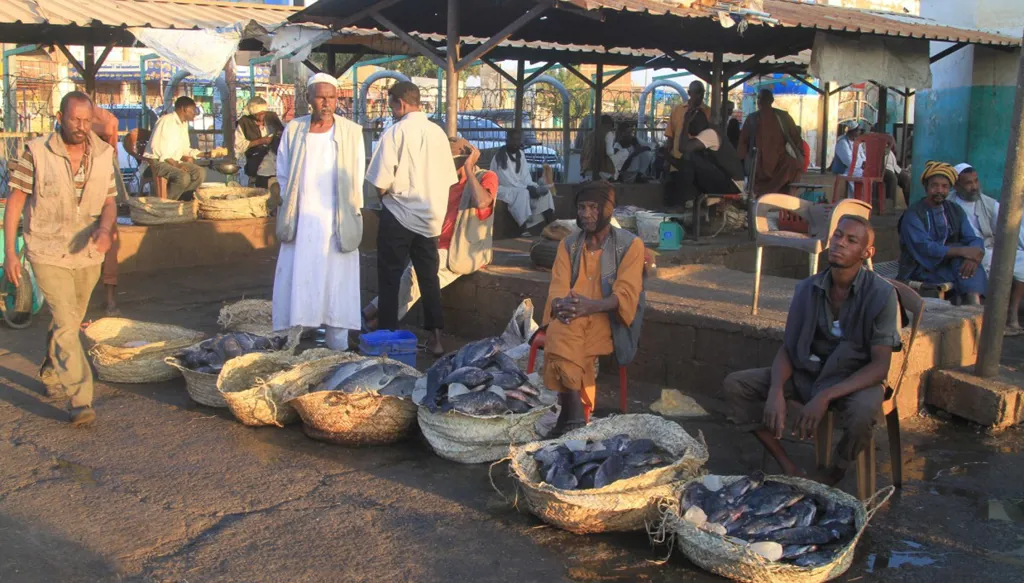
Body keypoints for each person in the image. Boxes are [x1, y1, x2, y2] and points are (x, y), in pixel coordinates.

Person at [724, 215, 901, 484]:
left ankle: (836, 470)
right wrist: (775, 391)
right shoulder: (808, 288)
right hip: (809, 372)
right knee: (736, 385)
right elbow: (789, 347)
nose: (840, 243)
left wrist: (825, 396)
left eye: (851, 240)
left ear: (867, 252)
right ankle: (788, 465)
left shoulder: (881, 294)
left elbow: (879, 367)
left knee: (863, 413)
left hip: (853, 380)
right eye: (838, 235)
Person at [3, 91, 118, 426]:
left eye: (87, 120)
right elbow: (15, 202)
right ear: (60, 117)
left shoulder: (104, 154)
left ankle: (52, 368)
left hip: (87, 252)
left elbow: (109, 201)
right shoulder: (37, 152)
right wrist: (10, 253)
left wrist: (105, 230)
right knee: (68, 323)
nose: (81, 126)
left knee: (68, 318)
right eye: (74, 119)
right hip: (47, 249)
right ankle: (81, 399)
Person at [364, 138, 498, 354]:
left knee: (414, 275)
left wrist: (468, 169)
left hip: (460, 250)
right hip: (432, 243)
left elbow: (482, 202)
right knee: (417, 280)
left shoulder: (485, 177)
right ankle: (379, 324)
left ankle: (369, 315)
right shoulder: (441, 180)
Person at [542, 181, 645, 436]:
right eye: (581, 207)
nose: (586, 214)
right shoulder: (568, 244)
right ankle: (575, 417)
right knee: (563, 328)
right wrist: (559, 303)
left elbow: (625, 294)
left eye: (593, 208)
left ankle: (569, 415)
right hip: (571, 315)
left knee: (561, 336)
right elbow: (557, 287)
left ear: (607, 210)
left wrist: (591, 306)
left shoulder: (630, 245)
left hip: (608, 320)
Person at [272, 73, 366, 350]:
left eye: (332, 98)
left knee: (337, 280)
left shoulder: (351, 132)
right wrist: (292, 205)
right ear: (308, 99)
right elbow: (283, 173)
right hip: (302, 218)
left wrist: (351, 213)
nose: (327, 103)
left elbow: (357, 176)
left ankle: (338, 346)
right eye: (321, 97)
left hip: (337, 219)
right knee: (298, 275)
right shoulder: (294, 129)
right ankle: (291, 343)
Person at [366, 81, 458, 347]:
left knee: (390, 279)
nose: (391, 111)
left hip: (399, 214)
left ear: (401, 103)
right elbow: (449, 179)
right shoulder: (438, 133)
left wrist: (384, 198)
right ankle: (436, 339)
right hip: (430, 219)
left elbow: (380, 180)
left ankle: (388, 338)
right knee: (429, 279)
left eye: (391, 105)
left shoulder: (395, 132)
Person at [898, 161, 986, 305]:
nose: (939, 190)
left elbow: (972, 238)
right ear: (926, 187)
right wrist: (962, 251)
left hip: (948, 265)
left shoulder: (955, 210)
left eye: (944, 186)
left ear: (950, 188)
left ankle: (972, 308)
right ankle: (973, 308)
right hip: (920, 268)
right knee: (967, 272)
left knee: (969, 267)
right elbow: (925, 248)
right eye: (934, 185)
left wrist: (973, 258)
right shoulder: (913, 214)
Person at [952, 162, 1024, 333]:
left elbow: (1010, 228)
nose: (974, 187)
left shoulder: (988, 203)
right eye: (968, 183)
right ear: (957, 185)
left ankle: (1012, 316)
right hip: (967, 253)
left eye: (976, 181)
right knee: (996, 265)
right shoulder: (950, 204)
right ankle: (990, 323)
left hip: (991, 249)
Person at [665, 112, 743, 208]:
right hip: (725, 180)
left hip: (733, 185)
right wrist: (668, 158)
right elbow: (685, 165)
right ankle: (687, 201)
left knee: (691, 156)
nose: (688, 131)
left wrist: (685, 124)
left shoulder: (710, 133)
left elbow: (684, 148)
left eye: (690, 126)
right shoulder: (704, 137)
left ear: (696, 124)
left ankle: (686, 201)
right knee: (686, 164)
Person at [736, 89, 804, 196]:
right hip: (759, 165)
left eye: (762, 98)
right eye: (759, 98)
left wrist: (800, 156)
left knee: (793, 165)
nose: (759, 101)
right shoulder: (752, 119)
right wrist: (742, 163)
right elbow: (743, 143)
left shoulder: (782, 117)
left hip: (779, 164)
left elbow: (796, 139)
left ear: (771, 100)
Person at [90, 105, 124, 316]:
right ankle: (109, 301)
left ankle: (110, 301)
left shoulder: (103, 153)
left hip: (101, 202)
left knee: (110, 243)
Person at [491, 129, 555, 234]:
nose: (515, 143)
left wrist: (532, 187)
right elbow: (506, 181)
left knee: (545, 193)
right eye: (513, 140)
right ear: (507, 140)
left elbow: (525, 177)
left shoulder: (520, 154)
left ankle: (549, 225)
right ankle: (524, 229)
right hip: (503, 189)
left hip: (520, 187)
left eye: (517, 140)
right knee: (523, 193)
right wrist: (528, 188)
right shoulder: (500, 157)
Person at [143, 96, 207, 200]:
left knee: (200, 172)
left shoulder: (183, 124)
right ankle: (167, 204)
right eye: (193, 110)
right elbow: (158, 148)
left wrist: (205, 154)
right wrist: (176, 165)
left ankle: (183, 200)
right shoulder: (166, 120)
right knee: (183, 176)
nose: (195, 113)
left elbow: (184, 149)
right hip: (157, 162)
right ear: (184, 109)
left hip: (173, 161)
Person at [235, 96, 277, 188]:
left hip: (275, 164)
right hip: (256, 163)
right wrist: (260, 141)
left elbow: (283, 133)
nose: (261, 116)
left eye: (263, 113)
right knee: (260, 189)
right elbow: (238, 145)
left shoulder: (272, 118)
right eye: (257, 114)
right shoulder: (244, 122)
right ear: (252, 114)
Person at [581, 115, 620, 181]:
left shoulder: (590, 134)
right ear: (610, 124)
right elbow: (609, 152)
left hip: (586, 168)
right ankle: (615, 178)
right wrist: (615, 151)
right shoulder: (608, 133)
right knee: (624, 152)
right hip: (601, 170)